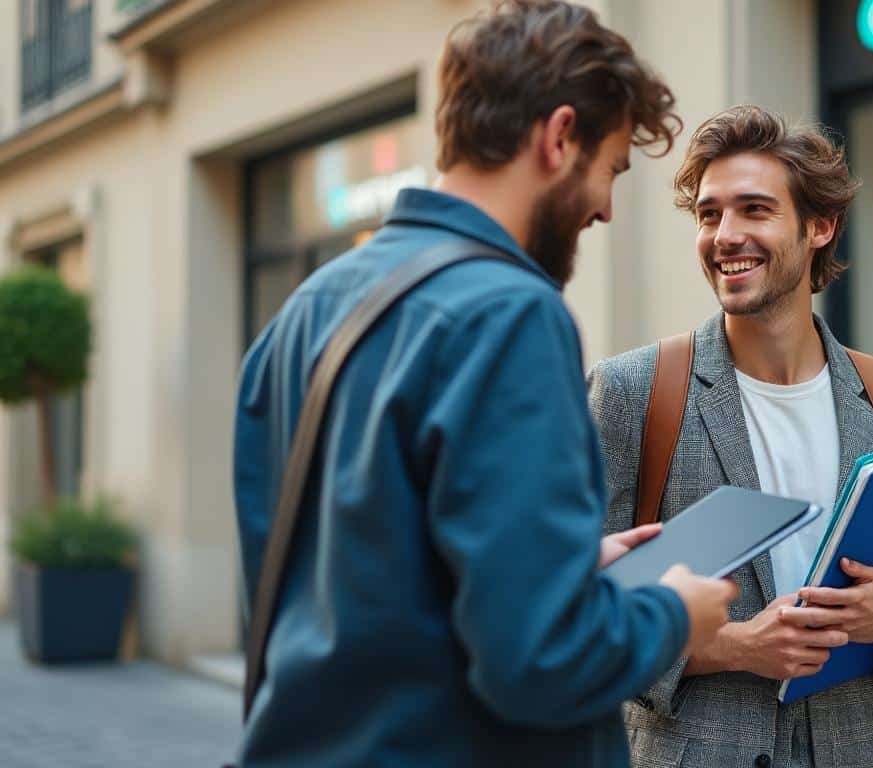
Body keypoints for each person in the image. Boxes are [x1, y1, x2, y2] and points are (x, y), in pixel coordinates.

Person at [231, 2, 738, 766]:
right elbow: (540, 661)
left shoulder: (304, 312)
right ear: (559, 136)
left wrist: (561, 568)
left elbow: (342, 584)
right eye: (611, 171)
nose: (604, 207)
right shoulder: (509, 315)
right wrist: (674, 612)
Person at [588, 105, 873, 768]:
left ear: (820, 226)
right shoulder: (636, 392)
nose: (725, 235)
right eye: (710, 215)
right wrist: (733, 647)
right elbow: (575, 618)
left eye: (754, 210)